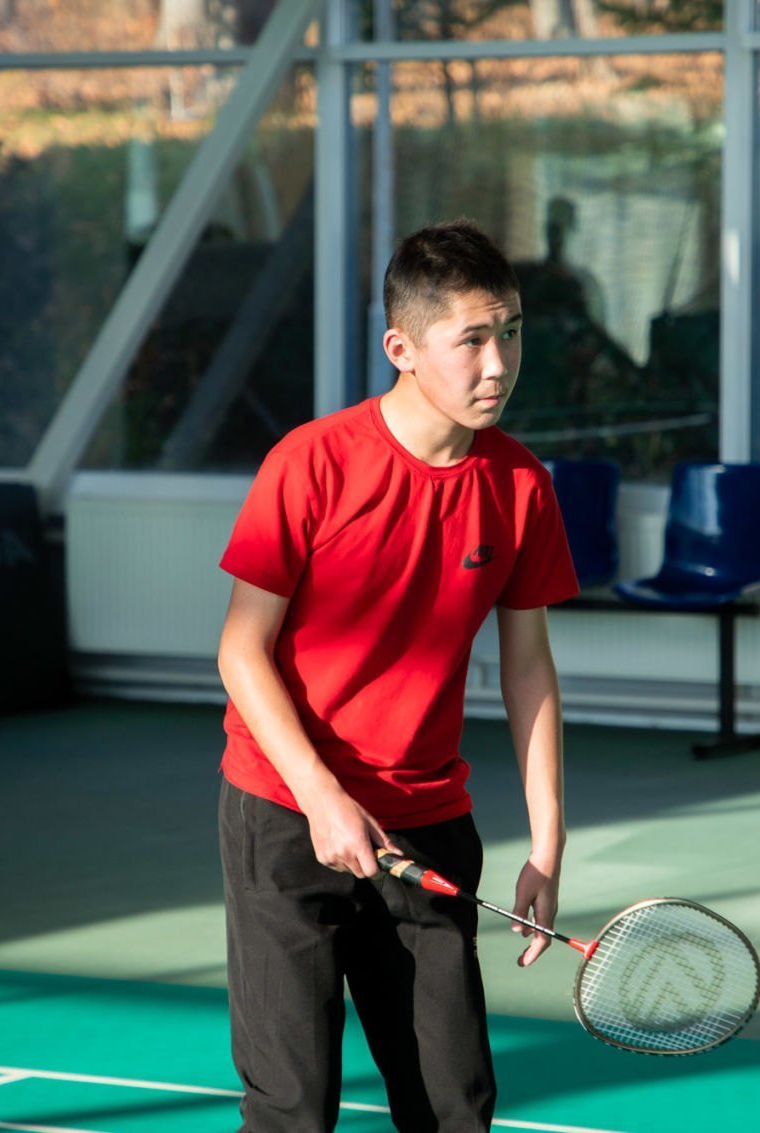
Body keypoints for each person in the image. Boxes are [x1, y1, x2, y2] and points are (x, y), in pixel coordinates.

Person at [215, 218, 579, 1132]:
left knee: (454, 1105)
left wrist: (547, 840)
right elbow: (241, 651)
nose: (498, 364)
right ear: (402, 348)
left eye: (512, 333)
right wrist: (323, 799)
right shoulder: (311, 463)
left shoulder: (521, 486)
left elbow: (528, 667)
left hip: (428, 824)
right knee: (295, 1106)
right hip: (286, 813)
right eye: (472, 339)